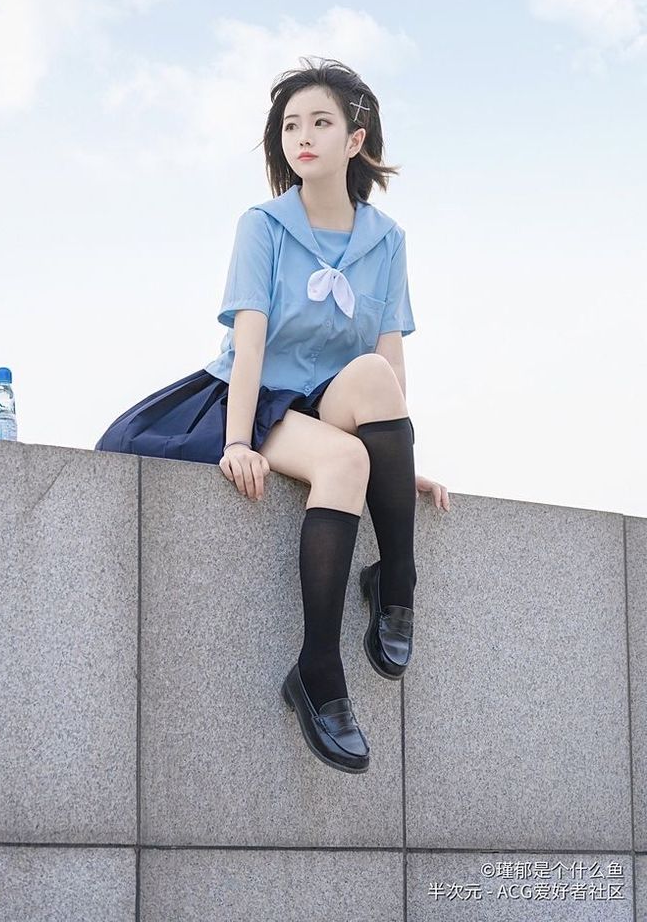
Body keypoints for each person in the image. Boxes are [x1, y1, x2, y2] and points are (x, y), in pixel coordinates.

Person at [94, 56, 450, 774]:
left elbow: (388, 364)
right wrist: (236, 439)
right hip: (263, 398)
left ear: (355, 139)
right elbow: (249, 343)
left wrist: (401, 459)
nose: (303, 136)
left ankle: (397, 580)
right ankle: (317, 671)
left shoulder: (388, 240)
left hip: (337, 397)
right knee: (344, 462)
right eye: (291, 125)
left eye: (321, 122)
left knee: (377, 377)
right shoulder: (263, 226)